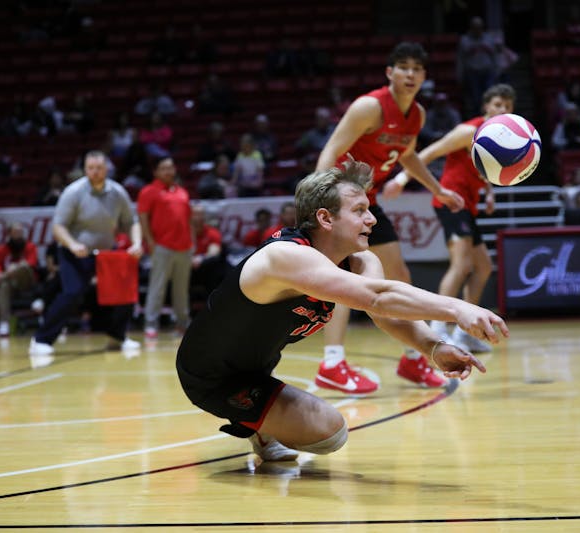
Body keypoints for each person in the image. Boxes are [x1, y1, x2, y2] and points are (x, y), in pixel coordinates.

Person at [175, 161, 506, 462]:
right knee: (330, 431)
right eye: (360, 210)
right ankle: (258, 424)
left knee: (327, 433)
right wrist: (458, 308)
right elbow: (377, 297)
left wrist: (434, 347)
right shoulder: (283, 257)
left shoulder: (362, 261)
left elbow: (385, 312)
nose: (372, 218)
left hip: (256, 370)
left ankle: (264, 415)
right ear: (325, 218)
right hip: (209, 375)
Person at [313, 41, 465, 393]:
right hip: (339, 196)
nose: (410, 74)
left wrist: (437, 189)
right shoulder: (369, 107)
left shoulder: (417, 114)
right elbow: (332, 149)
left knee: (398, 273)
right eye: (404, 67)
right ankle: (332, 363)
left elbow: (407, 155)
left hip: (366, 200)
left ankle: (413, 359)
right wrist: (319, 199)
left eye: (417, 68)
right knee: (343, 281)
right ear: (389, 72)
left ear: (424, 76)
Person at [410, 83, 516, 354]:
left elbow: (485, 170)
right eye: (497, 105)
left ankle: (465, 331)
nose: (502, 109)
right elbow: (429, 152)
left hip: (468, 206)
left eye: (507, 106)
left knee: (483, 267)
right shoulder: (469, 131)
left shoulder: (501, 139)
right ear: (486, 107)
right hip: (450, 201)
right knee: (461, 264)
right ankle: (438, 326)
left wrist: (490, 193)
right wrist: (402, 178)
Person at [28, 151, 143, 357]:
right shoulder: (73, 192)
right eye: (90, 168)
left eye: (99, 168)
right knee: (72, 293)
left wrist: (137, 243)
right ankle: (41, 339)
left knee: (124, 293)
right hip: (75, 253)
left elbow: (131, 222)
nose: (95, 172)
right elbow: (58, 227)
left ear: (107, 169)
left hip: (107, 254)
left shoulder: (118, 193)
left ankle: (117, 336)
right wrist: (72, 244)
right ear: (85, 169)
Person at [137, 156, 194, 339]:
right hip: (162, 246)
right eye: (164, 168)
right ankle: (151, 324)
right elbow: (143, 219)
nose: (168, 171)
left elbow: (188, 220)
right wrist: (150, 242)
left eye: (171, 167)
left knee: (181, 289)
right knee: (157, 287)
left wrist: (192, 243)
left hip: (184, 247)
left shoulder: (182, 192)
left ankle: (182, 323)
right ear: (156, 172)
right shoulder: (148, 191)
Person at [0, 223, 39, 337]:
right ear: (9, 234)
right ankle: (4, 322)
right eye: (16, 233)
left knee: (22, 266)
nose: (19, 235)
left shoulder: (30, 246)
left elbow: (32, 263)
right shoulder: (1, 249)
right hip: (9, 283)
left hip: (26, 280)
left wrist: (13, 268)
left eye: (21, 233)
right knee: (4, 285)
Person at [456, 17, 498, 116]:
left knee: (490, 97)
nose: (477, 29)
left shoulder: (489, 39)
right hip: (473, 73)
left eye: (479, 27)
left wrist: (497, 71)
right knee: (476, 99)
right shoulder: (464, 40)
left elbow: (495, 57)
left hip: (488, 72)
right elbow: (460, 60)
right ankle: (479, 121)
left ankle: (490, 118)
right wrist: (459, 75)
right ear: (471, 28)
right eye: (475, 27)